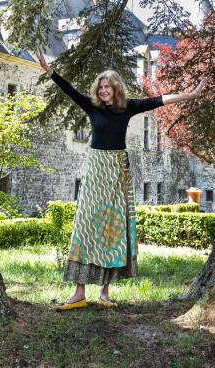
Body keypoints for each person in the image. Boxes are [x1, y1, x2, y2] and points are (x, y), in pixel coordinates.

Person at [36, 50, 205, 310]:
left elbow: (159, 100)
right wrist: (50, 71)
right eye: (100, 87)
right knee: (85, 226)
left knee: (113, 226)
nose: (103, 91)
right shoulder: (91, 107)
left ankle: (105, 292)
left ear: (116, 89)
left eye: (108, 87)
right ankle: (78, 293)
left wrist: (191, 95)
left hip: (117, 172)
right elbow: (69, 90)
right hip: (95, 171)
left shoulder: (128, 108)